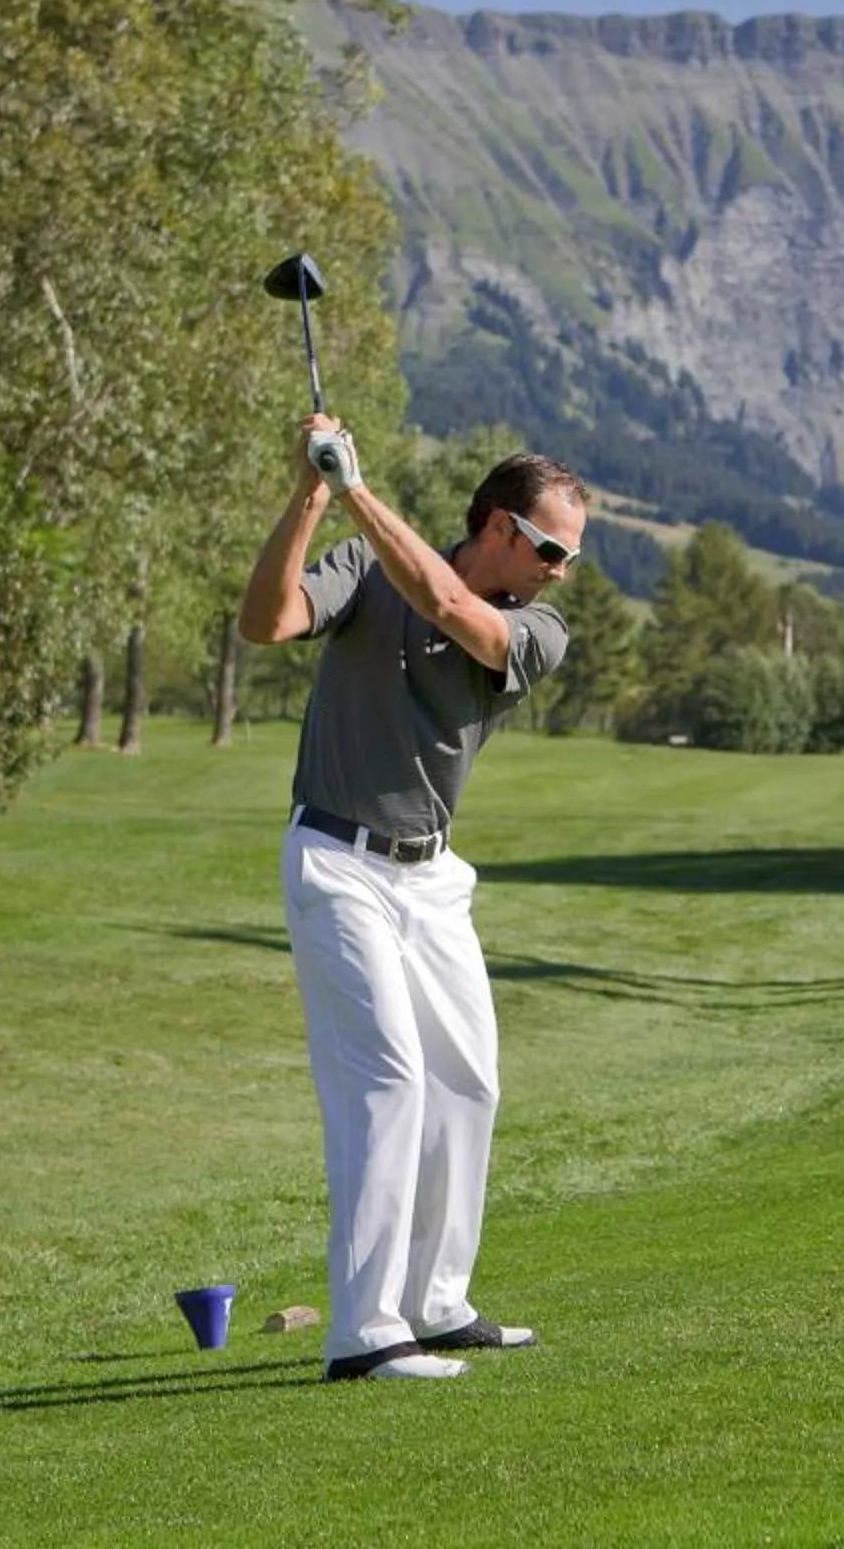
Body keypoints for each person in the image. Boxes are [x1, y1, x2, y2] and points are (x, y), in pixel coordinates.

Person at [238, 412, 587, 1381]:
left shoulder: (536, 629)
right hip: (336, 861)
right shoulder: (359, 565)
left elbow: (445, 604)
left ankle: (438, 1301)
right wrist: (308, 498)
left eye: (569, 554)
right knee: (387, 1077)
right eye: (550, 547)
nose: (561, 569)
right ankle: (363, 1328)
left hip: (431, 877)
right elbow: (264, 621)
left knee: (468, 1077)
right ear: (500, 526)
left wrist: (352, 485)